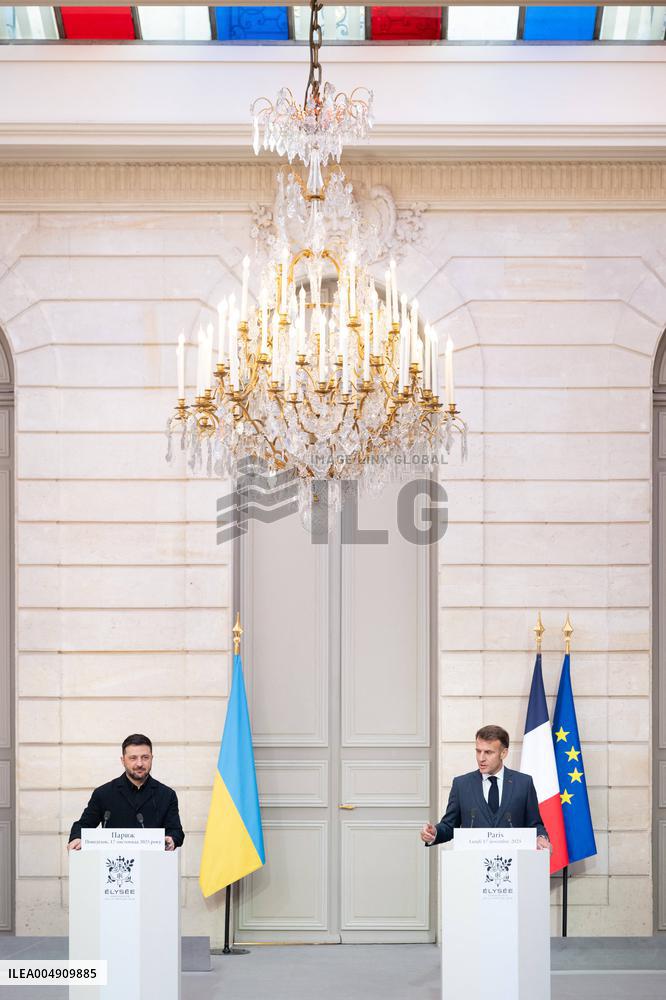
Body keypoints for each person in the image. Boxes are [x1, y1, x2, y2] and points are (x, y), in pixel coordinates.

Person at [420, 724, 551, 850]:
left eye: (488, 752)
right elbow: (449, 826)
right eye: (478, 751)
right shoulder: (461, 784)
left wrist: (541, 837)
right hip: (473, 865)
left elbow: (535, 824)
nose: (481, 758)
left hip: (513, 865)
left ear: (503, 753)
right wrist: (434, 832)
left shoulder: (523, 783)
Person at [67, 733, 184, 852]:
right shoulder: (103, 793)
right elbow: (83, 825)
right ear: (123, 760)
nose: (139, 763)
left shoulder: (167, 795)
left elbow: (176, 831)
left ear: (152, 758)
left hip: (153, 865)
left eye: (145, 757)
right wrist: (77, 837)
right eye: (133, 758)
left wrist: (172, 839)